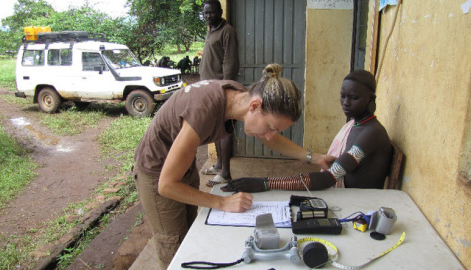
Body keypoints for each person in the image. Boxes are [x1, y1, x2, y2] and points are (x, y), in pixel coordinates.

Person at [133, 64, 335, 269]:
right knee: (174, 245)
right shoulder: (204, 111)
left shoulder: (240, 97)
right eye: (271, 127)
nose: (268, 135)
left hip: (182, 165)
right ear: (255, 106)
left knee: (189, 233)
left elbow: (270, 139)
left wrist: (315, 158)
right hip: (156, 170)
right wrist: (222, 203)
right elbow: (167, 185)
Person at [221, 70, 392, 193]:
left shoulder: (371, 134)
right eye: (343, 96)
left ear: (371, 99)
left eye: (354, 98)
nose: (346, 103)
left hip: (363, 204)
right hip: (348, 198)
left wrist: (265, 183)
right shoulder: (355, 125)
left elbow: (329, 178)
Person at [199, 0, 240, 187]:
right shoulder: (211, 30)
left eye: (211, 13)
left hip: (220, 89)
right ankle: (218, 165)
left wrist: (225, 88)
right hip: (208, 88)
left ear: (220, 12)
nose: (208, 16)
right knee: (215, 128)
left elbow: (230, 63)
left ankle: (226, 173)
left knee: (225, 130)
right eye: (205, 13)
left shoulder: (227, 31)